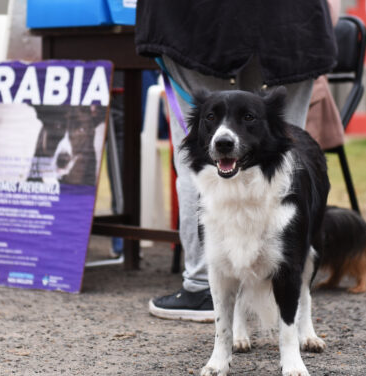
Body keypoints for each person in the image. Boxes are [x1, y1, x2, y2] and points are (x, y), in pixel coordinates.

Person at [134, 0, 338, 321]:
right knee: (286, 161)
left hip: (194, 24)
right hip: (295, 23)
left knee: (202, 163)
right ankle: (282, 276)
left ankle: (203, 286)